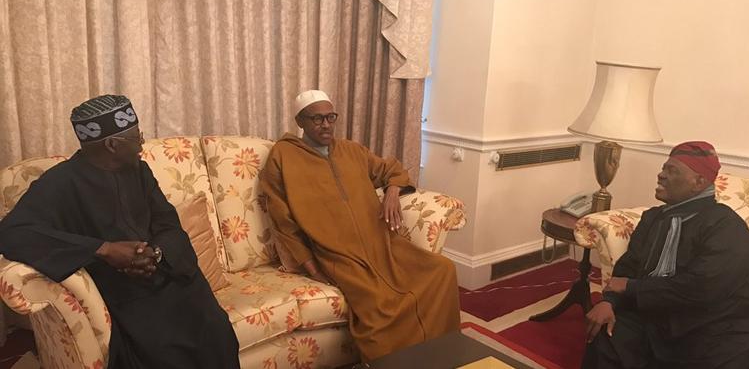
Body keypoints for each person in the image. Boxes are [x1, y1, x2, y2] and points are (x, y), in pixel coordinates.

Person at [0, 95, 240, 368]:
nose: (141, 143)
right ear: (113, 144)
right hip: (123, 294)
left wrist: (156, 253)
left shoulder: (140, 171)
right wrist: (103, 250)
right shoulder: (60, 183)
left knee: (216, 333)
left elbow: (167, 222)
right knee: (161, 352)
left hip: (170, 274)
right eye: (136, 136)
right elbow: (12, 232)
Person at [260, 89, 460, 361]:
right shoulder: (282, 157)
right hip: (337, 254)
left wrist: (391, 193)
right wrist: (312, 268)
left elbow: (393, 169)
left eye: (331, 117)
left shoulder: (352, 150)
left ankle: (439, 355)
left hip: (383, 243)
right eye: (317, 119)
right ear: (300, 121)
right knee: (378, 306)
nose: (326, 124)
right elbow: (283, 222)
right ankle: (392, 363)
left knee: (442, 269)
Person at [582, 141, 749, 369]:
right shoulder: (653, 218)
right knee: (609, 339)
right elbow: (629, 267)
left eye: (672, 171)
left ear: (699, 182)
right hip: (659, 314)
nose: (661, 175)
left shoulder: (726, 225)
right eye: (663, 168)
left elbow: (705, 287)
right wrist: (609, 301)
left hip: (719, 322)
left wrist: (633, 288)